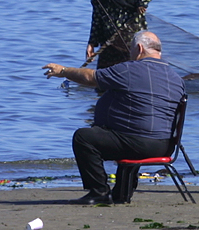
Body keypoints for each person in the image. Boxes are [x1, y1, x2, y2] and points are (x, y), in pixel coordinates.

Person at [43, 30, 185, 205]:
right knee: (128, 130)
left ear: (139, 48)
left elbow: (90, 77)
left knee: (83, 137)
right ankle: (121, 194)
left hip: (139, 143)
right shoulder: (176, 78)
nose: (130, 54)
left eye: (131, 50)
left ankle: (99, 191)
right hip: (164, 145)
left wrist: (64, 71)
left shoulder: (130, 69)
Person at [87, 0, 155, 70]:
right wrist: (91, 43)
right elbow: (97, 18)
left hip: (131, 38)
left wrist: (143, 3)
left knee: (132, 72)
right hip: (109, 41)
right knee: (105, 76)